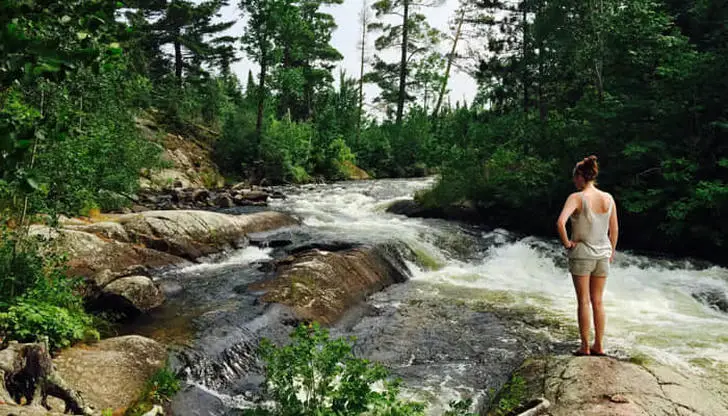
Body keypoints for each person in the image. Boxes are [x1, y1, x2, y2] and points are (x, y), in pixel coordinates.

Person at [556, 155, 619, 356]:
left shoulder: (576, 198)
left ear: (580, 177)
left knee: (583, 301)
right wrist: (611, 251)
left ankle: (585, 346)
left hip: (582, 254)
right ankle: (599, 345)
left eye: (575, 177)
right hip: (603, 255)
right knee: (598, 301)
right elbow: (614, 229)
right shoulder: (608, 198)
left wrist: (567, 244)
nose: (574, 181)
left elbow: (560, 223)